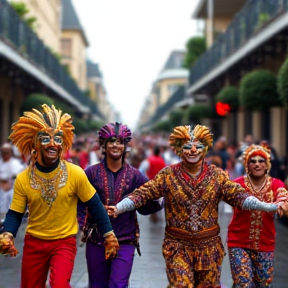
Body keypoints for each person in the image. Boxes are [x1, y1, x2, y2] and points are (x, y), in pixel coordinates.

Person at [106, 124, 284, 288]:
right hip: (177, 246)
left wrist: (267, 206)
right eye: (187, 147)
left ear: (204, 149)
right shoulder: (168, 175)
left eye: (197, 146)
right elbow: (143, 193)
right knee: (181, 285)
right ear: (179, 150)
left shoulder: (217, 175)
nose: (192, 150)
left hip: (209, 248)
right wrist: (119, 207)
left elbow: (237, 195)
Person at [0, 104, 119, 288]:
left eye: (58, 138)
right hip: (34, 243)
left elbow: (95, 206)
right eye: (46, 138)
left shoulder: (75, 173)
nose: (53, 143)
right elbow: (15, 213)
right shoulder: (24, 178)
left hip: (64, 243)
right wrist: (8, 234)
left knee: (59, 285)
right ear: (35, 143)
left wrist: (109, 235)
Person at [78, 122, 163, 288]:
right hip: (96, 240)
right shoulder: (91, 173)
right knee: (97, 285)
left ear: (125, 146)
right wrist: (82, 222)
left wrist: (162, 198)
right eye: (111, 141)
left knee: (118, 284)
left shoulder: (135, 175)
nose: (116, 145)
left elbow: (147, 201)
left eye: (120, 142)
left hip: (125, 240)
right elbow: (79, 201)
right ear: (104, 145)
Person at [227, 144, 288, 287]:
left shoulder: (276, 184)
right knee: (243, 283)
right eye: (252, 161)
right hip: (238, 242)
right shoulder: (237, 184)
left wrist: (282, 206)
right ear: (247, 165)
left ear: (267, 165)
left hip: (265, 243)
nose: (257, 164)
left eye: (261, 161)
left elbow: (283, 201)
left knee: (264, 284)